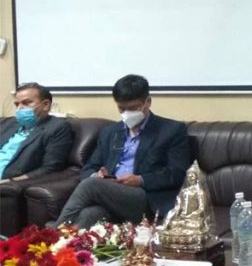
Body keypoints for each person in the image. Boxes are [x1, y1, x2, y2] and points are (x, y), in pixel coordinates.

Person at [57, 74, 191, 228]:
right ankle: (63, 242)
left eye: (133, 108)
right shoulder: (110, 132)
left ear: (148, 102)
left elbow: (177, 173)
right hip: (111, 193)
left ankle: (51, 234)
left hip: (146, 197)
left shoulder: (171, 130)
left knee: (91, 185)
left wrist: (140, 179)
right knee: (90, 214)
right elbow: (89, 167)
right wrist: (97, 175)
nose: (127, 113)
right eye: (121, 108)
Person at [0, 83, 73, 183]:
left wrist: (11, 181)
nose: (19, 108)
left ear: (45, 105)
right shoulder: (10, 123)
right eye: (17, 104)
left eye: (26, 103)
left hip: (6, 180)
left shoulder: (57, 128)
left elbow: (51, 168)